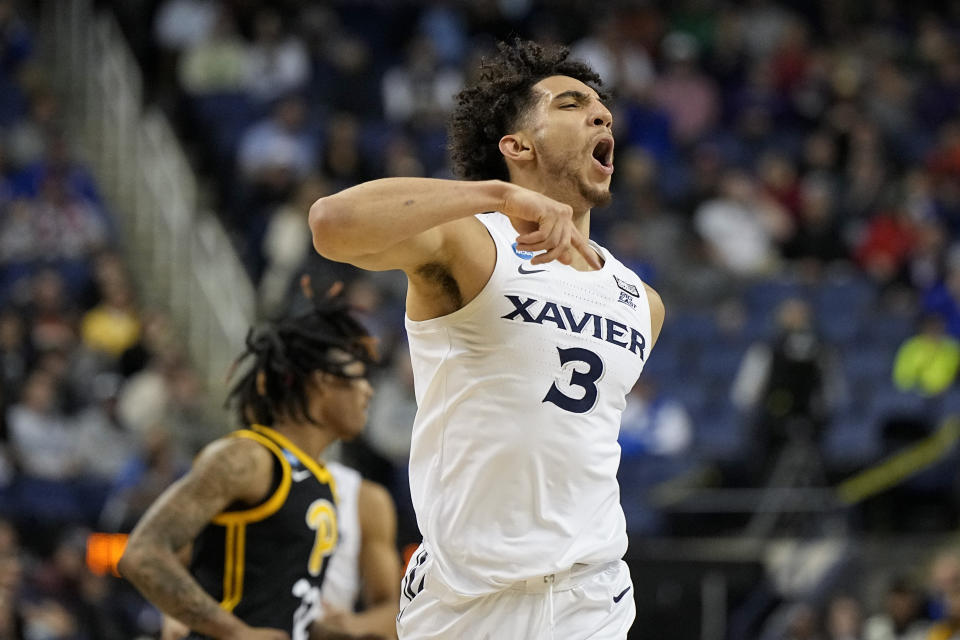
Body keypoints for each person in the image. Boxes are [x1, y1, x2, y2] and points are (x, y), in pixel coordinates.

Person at [309, 39, 664, 639]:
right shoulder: (474, 241)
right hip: (466, 600)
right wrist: (499, 195)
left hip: (591, 594)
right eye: (572, 104)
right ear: (517, 146)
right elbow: (329, 224)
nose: (601, 115)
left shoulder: (642, 301)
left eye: (601, 107)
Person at [118, 285, 382, 640]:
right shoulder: (249, 458)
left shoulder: (319, 480)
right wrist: (234, 632)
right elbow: (143, 554)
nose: (368, 391)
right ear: (322, 382)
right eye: (358, 377)